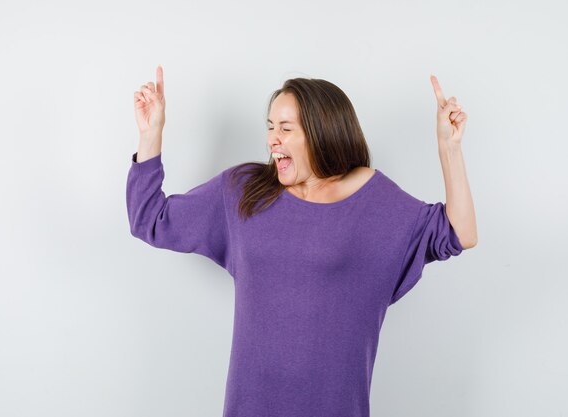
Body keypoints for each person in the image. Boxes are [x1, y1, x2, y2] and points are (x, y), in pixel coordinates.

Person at [126, 65, 477, 417]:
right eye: (270, 127)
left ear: (321, 132)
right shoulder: (243, 190)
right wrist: (150, 134)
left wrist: (450, 148)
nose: (272, 139)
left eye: (285, 128)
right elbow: (149, 219)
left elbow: (460, 232)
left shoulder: (373, 198)